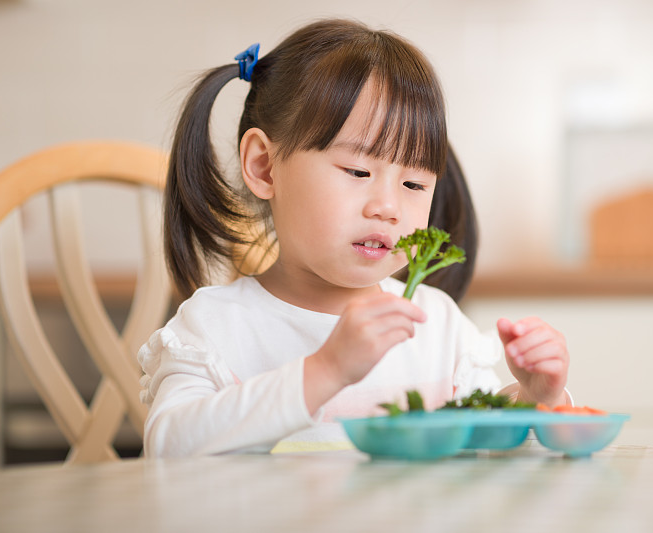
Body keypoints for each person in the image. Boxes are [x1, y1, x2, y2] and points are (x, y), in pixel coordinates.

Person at [138, 19, 571, 458]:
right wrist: (325, 371)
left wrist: (537, 400)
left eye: (414, 185)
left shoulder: (439, 329)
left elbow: (497, 457)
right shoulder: (216, 328)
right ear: (265, 167)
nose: (388, 206)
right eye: (358, 172)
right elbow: (168, 449)